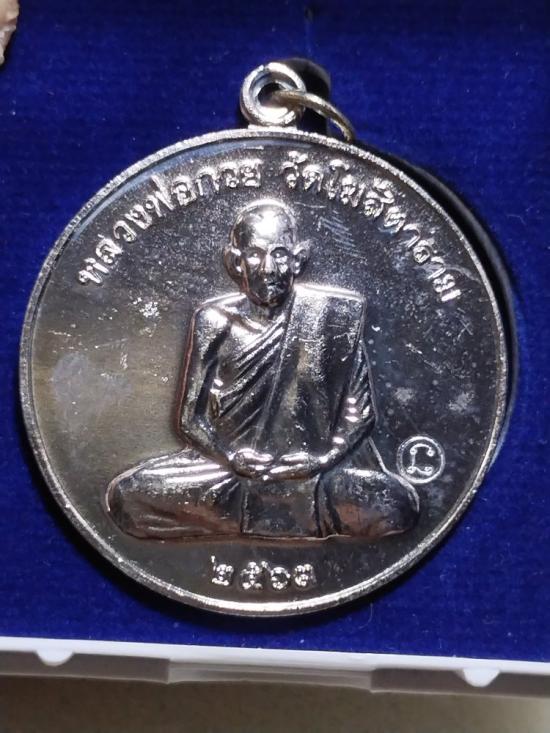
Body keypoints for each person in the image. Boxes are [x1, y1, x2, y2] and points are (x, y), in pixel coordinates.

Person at [106, 200, 419, 539]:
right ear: (235, 261)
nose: (268, 268)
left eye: (279, 254)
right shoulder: (214, 321)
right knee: (127, 497)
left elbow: (361, 416)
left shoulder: (333, 318)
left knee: (396, 504)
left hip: (315, 475)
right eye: (255, 254)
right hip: (231, 475)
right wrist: (230, 457)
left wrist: (321, 460)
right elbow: (190, 420)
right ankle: (265, 513)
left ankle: (234, 519)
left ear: (298, 260)